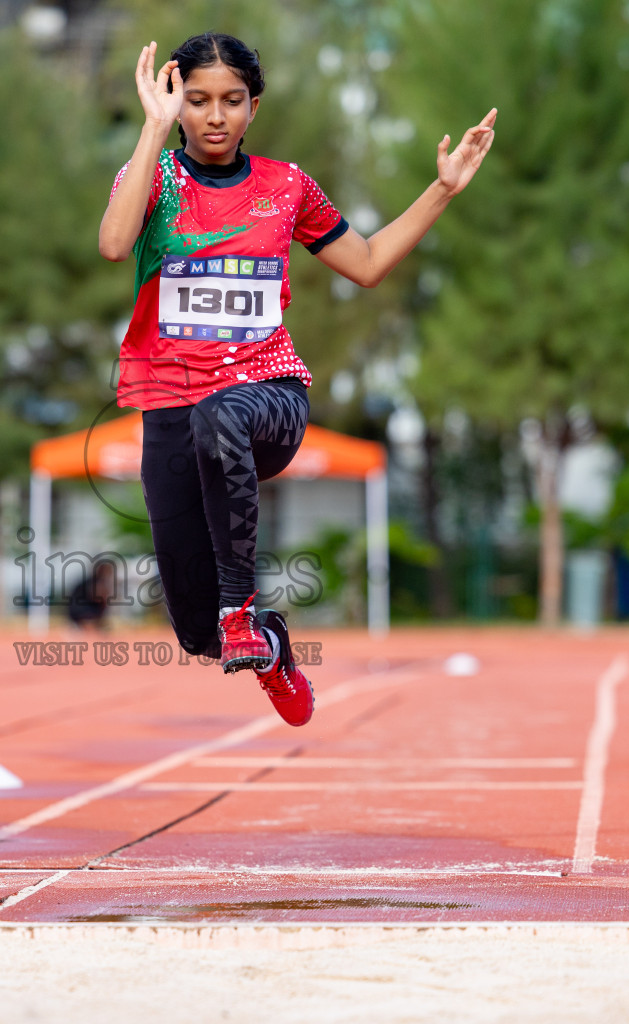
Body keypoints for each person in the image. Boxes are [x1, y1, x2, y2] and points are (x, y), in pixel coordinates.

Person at [98, 33, 494, 725]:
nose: (215, 116)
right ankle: (269, 644)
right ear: (175, 102)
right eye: (196, 101)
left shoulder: (285, 185)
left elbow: (367, 263)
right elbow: (111, 244)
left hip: (267, 397)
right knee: (194, 633)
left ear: (254, 106)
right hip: (169, 409)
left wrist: (443, 189)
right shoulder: (153, 178)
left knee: (221, 413)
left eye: (231, 101)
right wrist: (151, 129)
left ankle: (242, 609)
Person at [67, 560, 118, 631]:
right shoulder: (95, 582)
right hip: (81, 611)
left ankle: (87, 625)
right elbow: (97, 597)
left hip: (81, 611)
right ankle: (85, 625)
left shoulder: (93, 581)